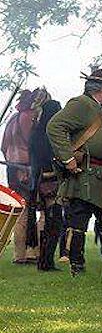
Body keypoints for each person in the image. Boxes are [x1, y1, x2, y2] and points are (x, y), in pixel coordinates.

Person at [46, 68, 102, 276]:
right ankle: (76, 269)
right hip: (85, 176)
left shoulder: (99, 110)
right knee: (78, 222)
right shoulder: (82, 104)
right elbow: (55, 126)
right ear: (101, 89)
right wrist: (68, 159)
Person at [3, 89, 38, 264]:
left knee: (22, 209)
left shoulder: (11, 120)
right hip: (26, 167)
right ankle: (30, 251)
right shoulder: (29, 117)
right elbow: (33, 144)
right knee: (29, 209)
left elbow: (3, 147)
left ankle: (20, 254)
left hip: (11, 167)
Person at [29, 97, 64, 271]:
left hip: (39, 181)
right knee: (54, 220)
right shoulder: (49, 134)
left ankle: (45, 260)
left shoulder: (36, 132)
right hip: (50, 180)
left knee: (49, 221)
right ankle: (46, 261)